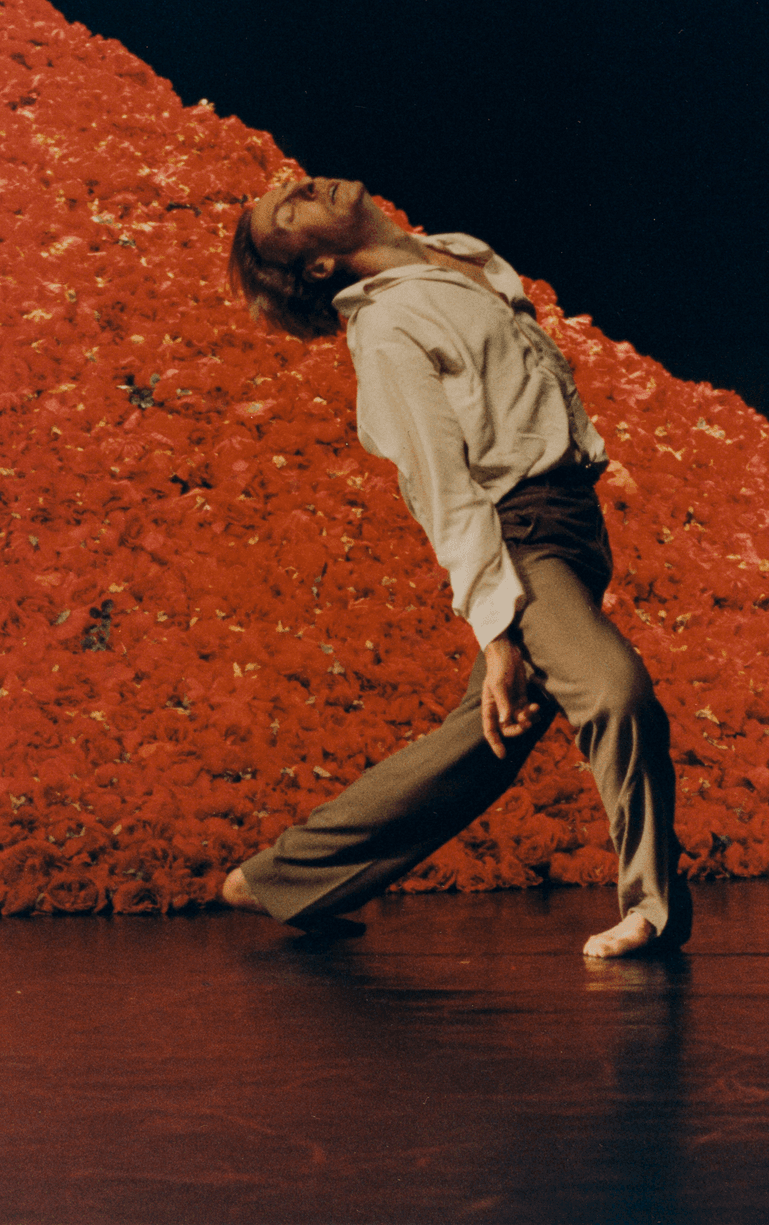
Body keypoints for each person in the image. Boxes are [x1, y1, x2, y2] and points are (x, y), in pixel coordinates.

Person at [222, 175, 692, 958]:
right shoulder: (387, 328)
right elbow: (441, 488)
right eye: (288, 211)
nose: (298, 187)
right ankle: (653, 908)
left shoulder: (459, 258)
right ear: (314, 269)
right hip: (523, 534)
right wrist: (497, 626)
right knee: (615, 693)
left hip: (576, 522)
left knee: (482, 748)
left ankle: (281, 879)